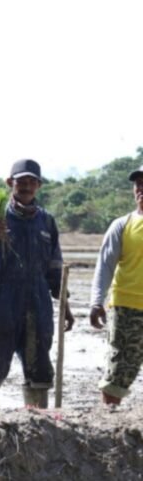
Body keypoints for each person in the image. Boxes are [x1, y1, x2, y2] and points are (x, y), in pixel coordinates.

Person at [0, 159, 73, 410]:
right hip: (4, 296)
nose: (26, 186)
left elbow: (55, 267)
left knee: (39, 361)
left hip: (38, 298)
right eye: (20, 181)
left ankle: (38, 420)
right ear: (10, 183)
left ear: (39, 185)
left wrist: (64, 305)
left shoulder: (46, 221)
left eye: (31, 182)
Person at [89, 164, 143, 405]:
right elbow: (105, 266)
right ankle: (109, 424)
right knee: (117, 374)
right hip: (127, 310)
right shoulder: (123, 225)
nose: (141, 188)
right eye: (138, 184)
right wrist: (96, 302)